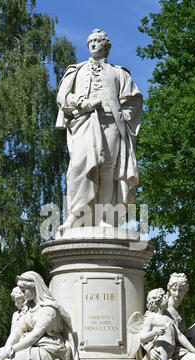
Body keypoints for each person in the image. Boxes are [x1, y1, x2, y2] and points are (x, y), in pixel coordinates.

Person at [56, 29, 143, 229]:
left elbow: (134, 100)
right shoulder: (76, 70)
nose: (93, 44)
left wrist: (121, 115)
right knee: (78, 167)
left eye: (97, 41)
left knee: (108, 169)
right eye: (90, 41)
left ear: (107, 46)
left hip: (111, 123)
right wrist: (80, 102)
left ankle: (105, 218)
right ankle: (75, 216)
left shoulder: (119, 73)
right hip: (84, 122)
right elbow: (62, 96)